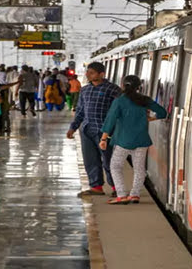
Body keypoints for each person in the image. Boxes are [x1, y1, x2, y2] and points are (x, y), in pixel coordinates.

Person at [100, 75, 168, 204]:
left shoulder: (119, 101)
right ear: (139, 87)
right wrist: (152, 118)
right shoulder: (144, 100)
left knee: (115, 166)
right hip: (141, 140)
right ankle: (135, 194)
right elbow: (162, 112)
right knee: (139, 168)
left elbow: (110, 120)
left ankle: (121, 194)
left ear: (123, 85)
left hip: (123, 141)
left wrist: (103, 139)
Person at [67, 62, 122, 196]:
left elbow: (121, 109)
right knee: (90, 160)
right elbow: (80, 111)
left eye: (91, 72)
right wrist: (73, 127)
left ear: (101, 74)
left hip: (106, 131)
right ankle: (96, 187)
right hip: (87, 129)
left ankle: (116, 188)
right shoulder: (85, 90)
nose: (87, 75)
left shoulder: (113, 89)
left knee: (108, 160)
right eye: (87, 72)